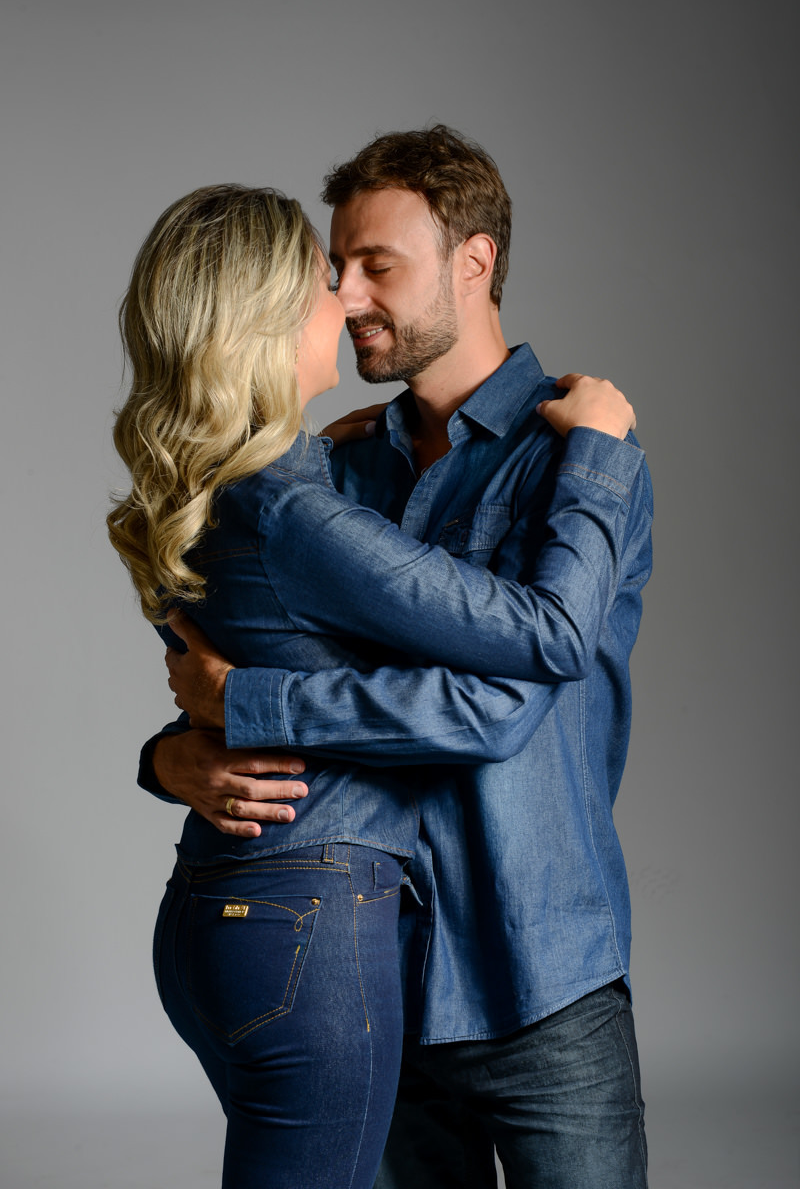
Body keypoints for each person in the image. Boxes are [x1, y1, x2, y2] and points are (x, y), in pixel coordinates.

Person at [110, 182, 644, 1189]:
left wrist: (243, 709)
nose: (349, 297)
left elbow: (507, 696)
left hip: (535, 968)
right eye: (331, 272)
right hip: (360, 957)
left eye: (374, 267)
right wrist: (173, 754)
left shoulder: (578, 463)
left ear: (473, 264)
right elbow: (221, 666)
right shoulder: (324, 477)